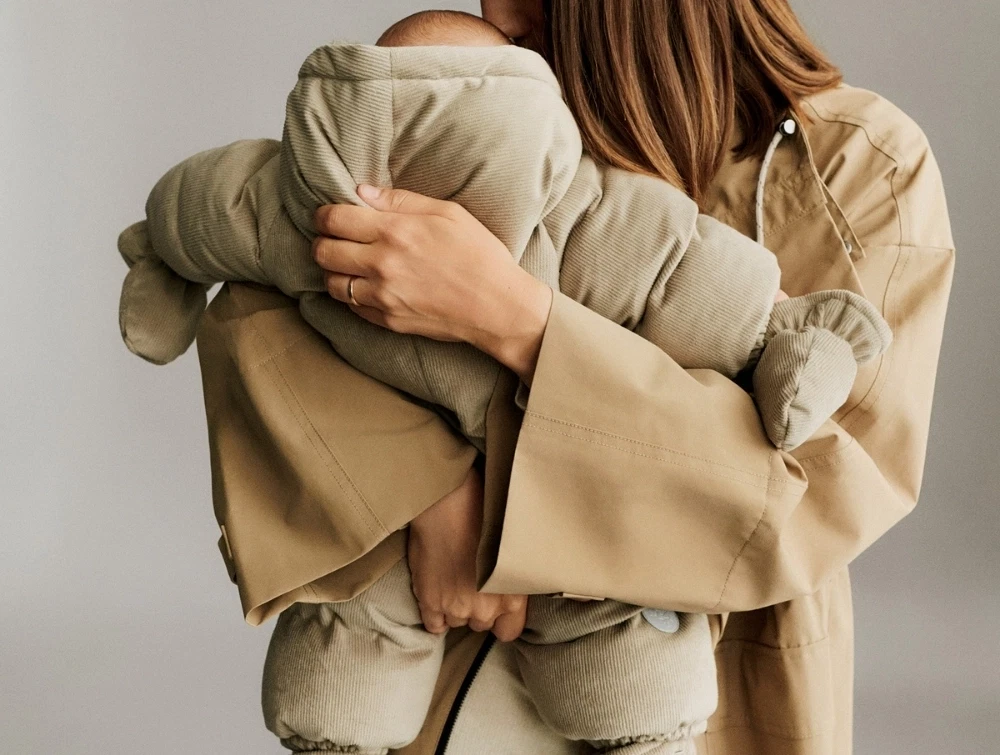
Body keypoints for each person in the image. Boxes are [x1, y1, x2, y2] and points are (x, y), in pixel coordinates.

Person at [189, 1, 955, 753]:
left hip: (692, 701)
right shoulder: (498, 99)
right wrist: (428, 488)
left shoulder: (865, 168)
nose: (495, 9)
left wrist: (511, 316)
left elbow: (809, 494)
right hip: (438, 682)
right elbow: (266, 311)